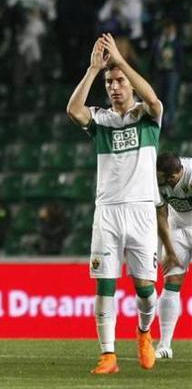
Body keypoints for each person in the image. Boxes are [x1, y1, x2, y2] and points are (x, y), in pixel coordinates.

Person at [66, 33, 162, 374]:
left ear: (130, 84)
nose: (115, 87)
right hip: (107, 212)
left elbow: (153, 99)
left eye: (119, 81)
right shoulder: (101, 121)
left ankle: (144, 332)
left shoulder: (147, 117)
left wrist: (120, 61)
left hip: (141, 212)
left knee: (146, 290)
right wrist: (94, 71)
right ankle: (108, 355)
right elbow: (73, 110)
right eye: (111, 82)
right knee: (105, 283)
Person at [152, 153, 192, 360]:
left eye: (170, 178)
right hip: (177, 229)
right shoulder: (156, 182)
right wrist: (168, 248)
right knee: (171, 282)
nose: (165, 182)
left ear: (178, 174)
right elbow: (161, 215)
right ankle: (165, 345)